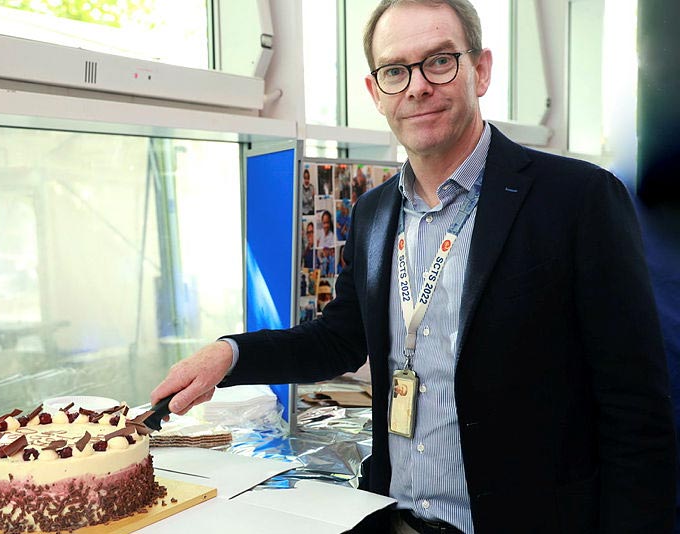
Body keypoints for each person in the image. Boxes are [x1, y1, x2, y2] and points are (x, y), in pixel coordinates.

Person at [151, 1, 677, 533]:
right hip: (395, 518)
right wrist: (230, 354)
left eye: (440, 61)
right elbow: (338, 339)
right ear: (376, 91)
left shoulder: (578, 200)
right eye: (396, 71)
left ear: (482, 69)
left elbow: (637, 411)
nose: (417, 86)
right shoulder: (374, 213)